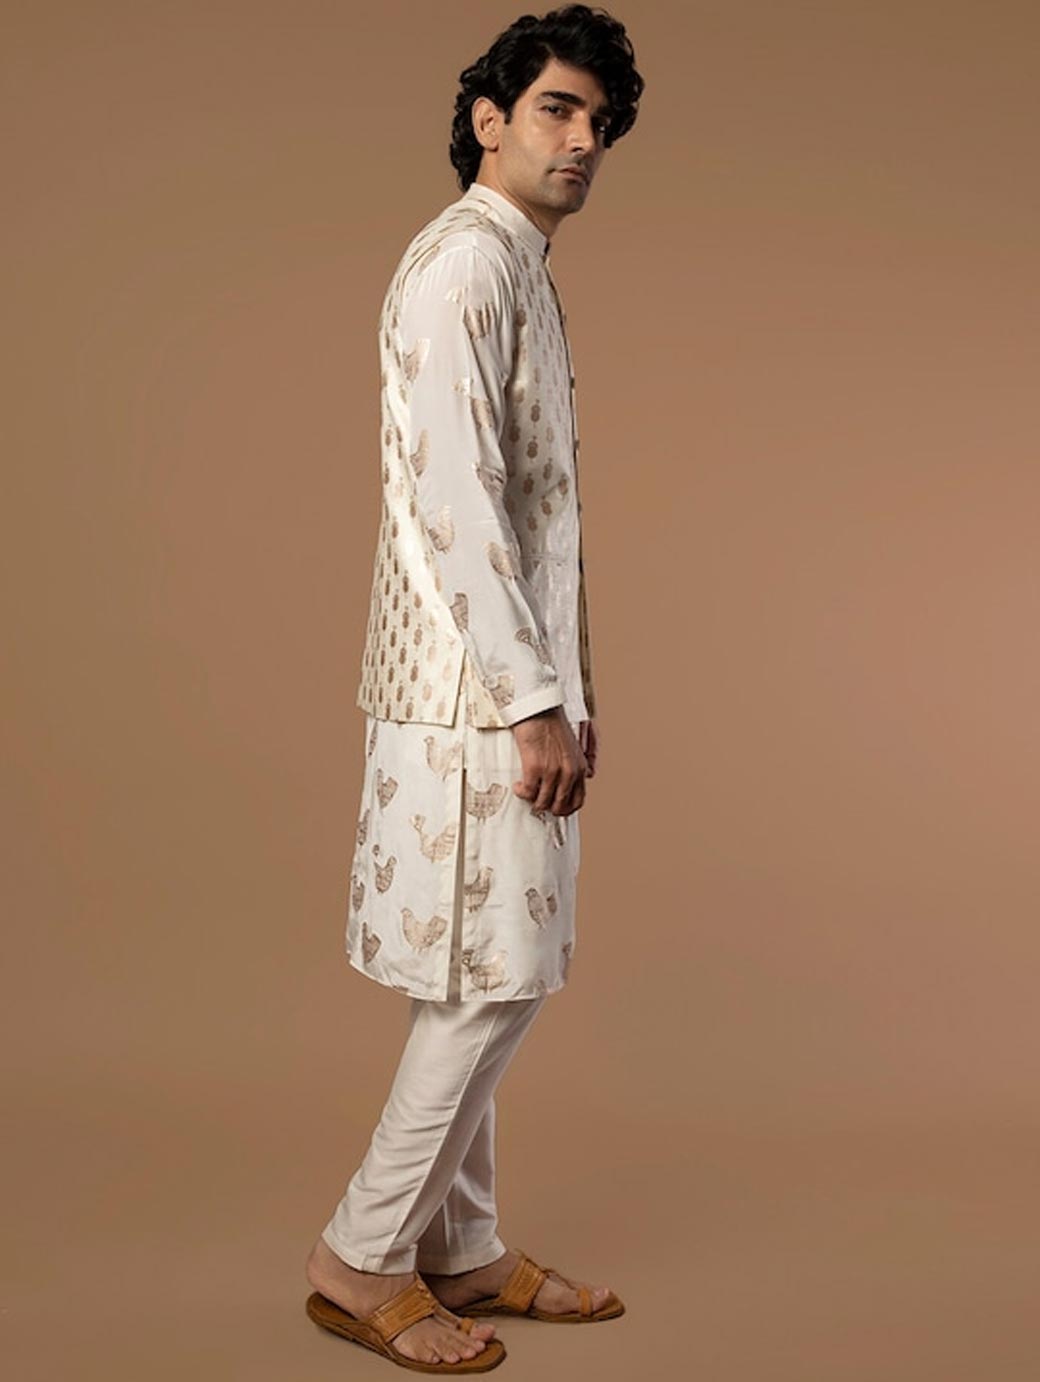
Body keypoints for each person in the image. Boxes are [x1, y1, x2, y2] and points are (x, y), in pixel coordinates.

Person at [305, 6, 643, 1371]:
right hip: (465, 697)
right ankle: (362, 1254)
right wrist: (529, 699)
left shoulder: (512, 263)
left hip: (490, 684)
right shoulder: (464, 265)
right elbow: (456, 499)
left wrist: (568, 687)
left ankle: (465, 1246)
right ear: (489, 120)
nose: (584, 140)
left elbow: (536, 513)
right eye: (559, 109)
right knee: (488, 981)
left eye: (600, 122)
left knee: (481, 967)